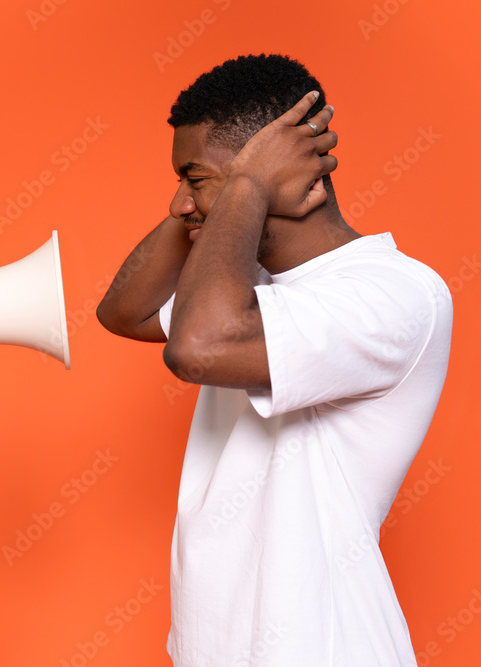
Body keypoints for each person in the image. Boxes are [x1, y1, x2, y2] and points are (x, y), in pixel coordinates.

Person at [97, 54, 452, 665]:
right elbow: (123, 313)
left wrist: (246, 185)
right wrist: (233, 185)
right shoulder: (240, 286)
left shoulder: (394, 293)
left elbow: (198, 349)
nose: (180, 205)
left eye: (194, 178)